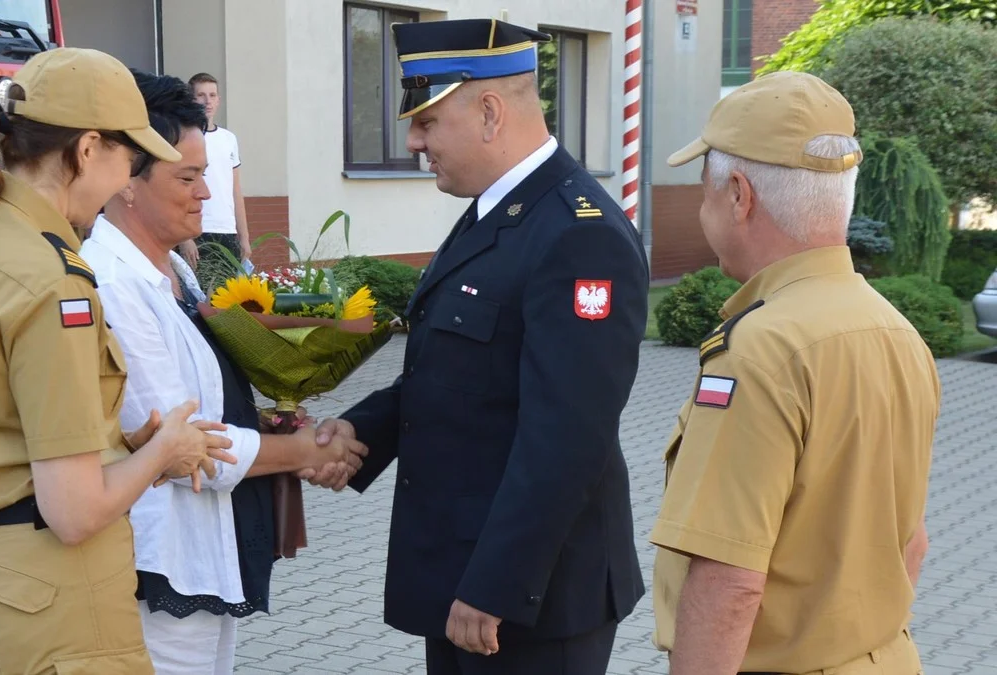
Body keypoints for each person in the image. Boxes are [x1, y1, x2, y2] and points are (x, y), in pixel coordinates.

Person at [311, 19, 649, 675]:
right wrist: (361, 431)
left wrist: (496, 584)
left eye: (427, 122)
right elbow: (457, 373)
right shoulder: (500, 211)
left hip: (531, 601)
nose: (414, 141)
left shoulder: (578, 234)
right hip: (468, 576)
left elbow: (567, 435)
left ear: (490, 112)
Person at [0, 47, 238, 674]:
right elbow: (75, 511)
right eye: (128, 159)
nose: (124, 181)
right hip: (55, 592)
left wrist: (127, 448)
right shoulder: (54, 280)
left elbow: (1, 415)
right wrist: (164, 451)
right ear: (87, 150)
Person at [647, 71, 939, 675]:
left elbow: (730, 582)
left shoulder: (758, 351)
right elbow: (910, 541)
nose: (704, 209)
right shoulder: (897, 332)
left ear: (739, 195)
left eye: (705, 191)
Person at [80, 70, 367, 675]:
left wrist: (272, 418)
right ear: (127, 181)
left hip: (202, 548)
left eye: (204, 174)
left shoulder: (175, 273)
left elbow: (202, 405)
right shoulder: (112, 284)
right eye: (186, 177)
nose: (205, 194)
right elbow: (182, 443)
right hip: (157, 558)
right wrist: (302, 451)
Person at [176, 73, 250, 284]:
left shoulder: (229, 139)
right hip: (197, 230)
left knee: (224, 300)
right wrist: (185, 238)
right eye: (201, 95)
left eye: (212, 95)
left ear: (218, 100)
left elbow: (236, 191)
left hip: (227, 231)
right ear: (192, 99)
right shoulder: (184, 137)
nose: (207, 101)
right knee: (196, 298)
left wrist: (244, 238)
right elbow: (179, 187)